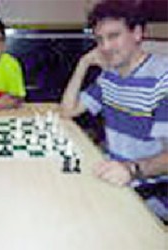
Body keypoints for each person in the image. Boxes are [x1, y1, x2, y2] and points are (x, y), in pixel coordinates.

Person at [60, 1, 168, 220]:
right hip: (113, 174)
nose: (105, 47)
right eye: (99, 39)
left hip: (153, 188)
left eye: (113, 36)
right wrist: (83, 63)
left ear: (137, 33)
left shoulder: (162, 78)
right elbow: (68, 110)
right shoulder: (109, 76)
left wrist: (131, 170)